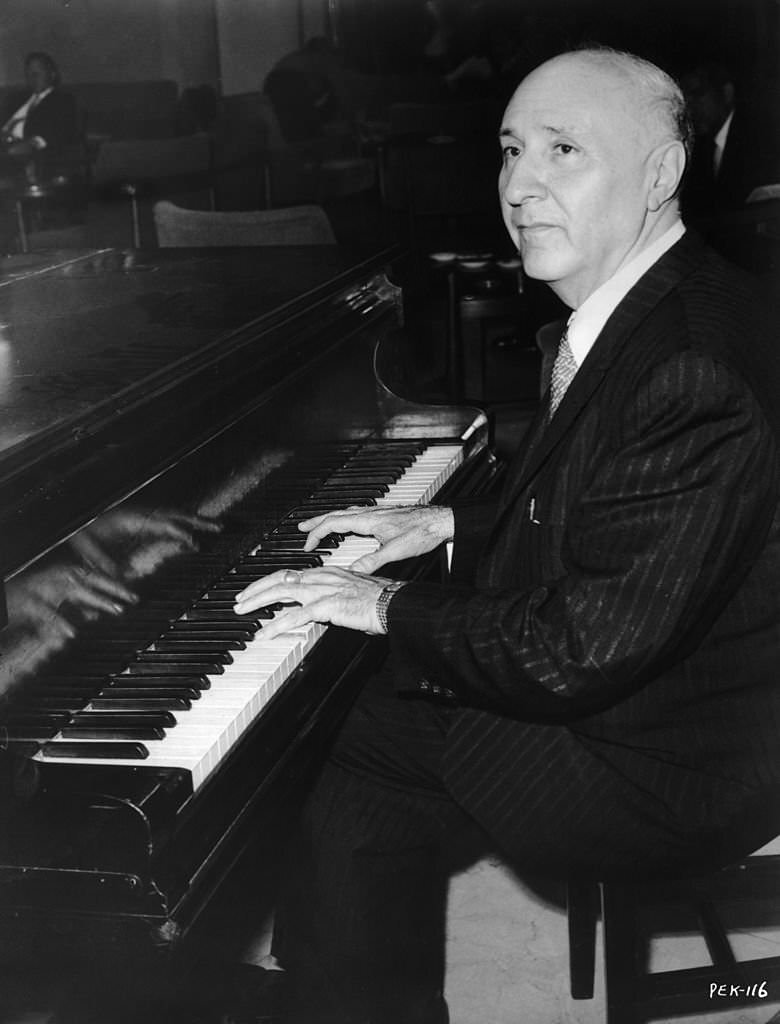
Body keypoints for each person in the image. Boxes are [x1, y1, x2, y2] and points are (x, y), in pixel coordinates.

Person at [232, 47, 780, 1023]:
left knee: (346, 747)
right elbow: (627, 508)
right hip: (689, 693)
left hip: (667, 764)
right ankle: (340, 980)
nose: (519, 186)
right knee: (364, 715)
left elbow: (574, 652)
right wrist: (446, 519)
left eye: (564, 150)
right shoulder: (668, 300)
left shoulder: (689, 370)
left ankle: (345, 992)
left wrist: (387, 600)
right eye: (510, 150)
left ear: (660, 174)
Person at [680, 61, 780, 216]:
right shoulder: (697, 147)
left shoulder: (762, 138)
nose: (690, 107)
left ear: (727, 93)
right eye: (686, 100)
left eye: (698, 94)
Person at [0, 51, 79, 183]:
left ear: (52, 74)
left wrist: (32, 144)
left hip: (34, 157)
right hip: (3, 151)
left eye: (37, 72)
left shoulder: (62, 100)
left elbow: (59, 131)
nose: (32, 77)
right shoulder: (17, 99)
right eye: (28, 73)